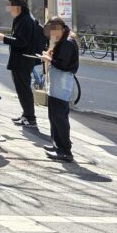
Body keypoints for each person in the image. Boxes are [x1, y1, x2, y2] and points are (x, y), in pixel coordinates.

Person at [0, 0, 45, 128]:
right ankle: (26, 115)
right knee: (22, 89)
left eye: (11, 6)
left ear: (18, 7)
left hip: (23, 60)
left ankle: (30, 118)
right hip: (21, 60)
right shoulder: (22, 18)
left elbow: (22, 42)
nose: (9, 9)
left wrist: (3, 38)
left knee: (24, 89)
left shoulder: (25, 20)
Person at [42, 17, 79, 162]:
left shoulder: (67, 43)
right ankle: (57, 145)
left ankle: (64, 150)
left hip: (61, 83)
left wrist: (49, 59)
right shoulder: (65, 40)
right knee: (54, 115)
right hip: (58, 83)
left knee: (59, 117)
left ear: (60, 28)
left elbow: (62, 64)